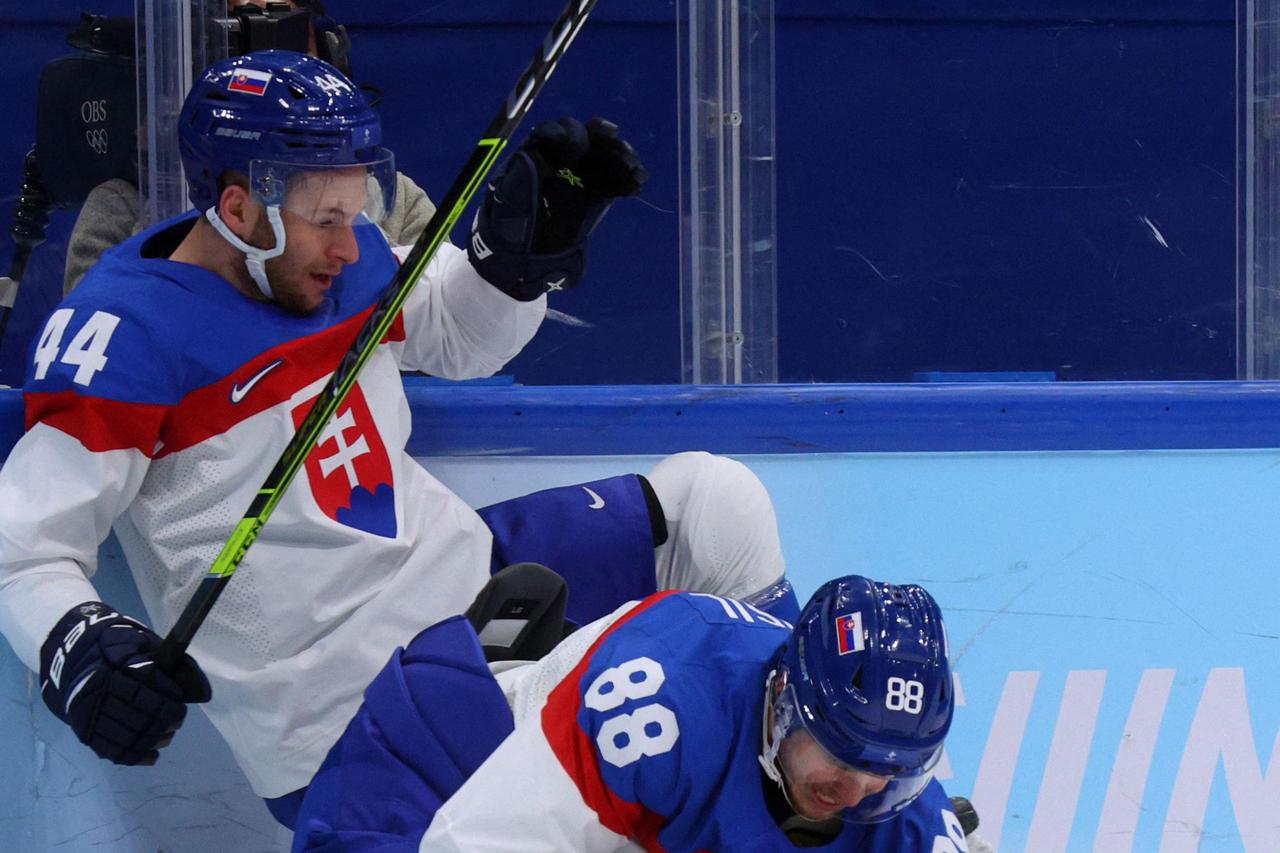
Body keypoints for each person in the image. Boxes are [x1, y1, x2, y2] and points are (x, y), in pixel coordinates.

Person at [0, 50, 799, 829]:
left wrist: (512, 265)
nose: (350, 245)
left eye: (353, 213)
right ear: (238, 207)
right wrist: (78, 644)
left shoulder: (331, 254)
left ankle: (804, 757)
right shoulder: (121, 334)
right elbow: (22, 545)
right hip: (349, 709)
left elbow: (454, 330)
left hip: (468, 589)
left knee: (713, 504)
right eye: (326, 222)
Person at [290, 574, 972, 852]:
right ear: (784, 702)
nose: (853, 792)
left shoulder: (900, 803)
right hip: (434, 777)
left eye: (884, 773)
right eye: (840, 755)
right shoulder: (659, 704)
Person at [62, 0, 436, 295]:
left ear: (329, 58)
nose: (279, 74)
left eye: (286, 40)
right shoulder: (120, 208)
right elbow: (110, 347)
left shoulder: (398, 202)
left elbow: (426, 348)